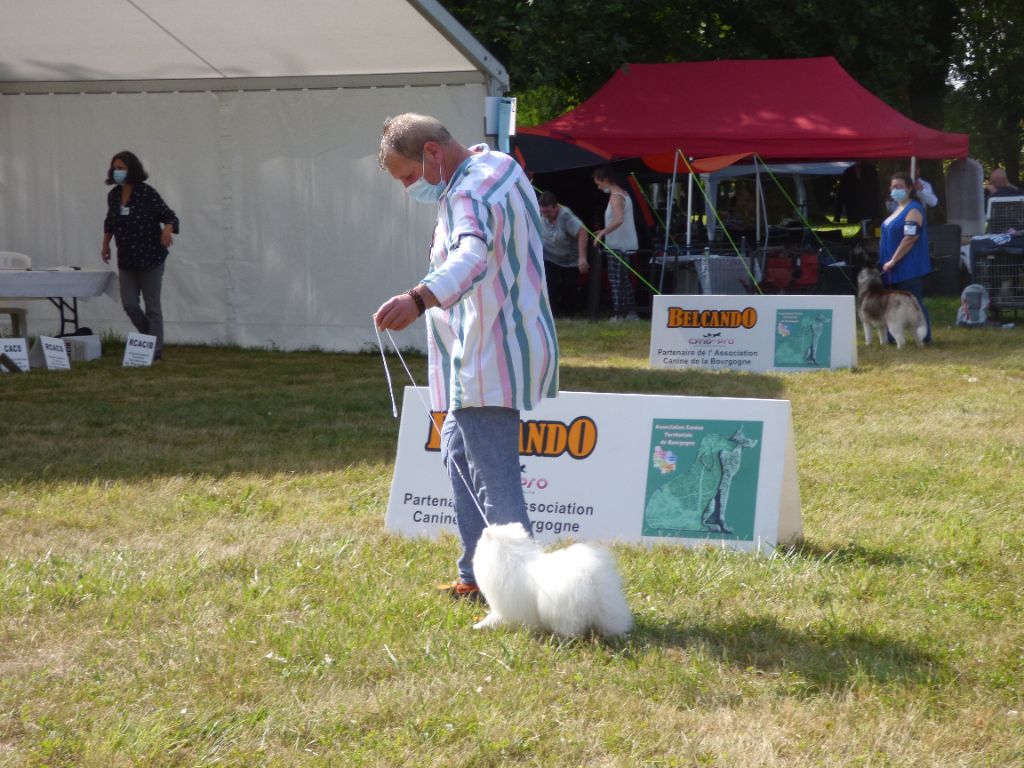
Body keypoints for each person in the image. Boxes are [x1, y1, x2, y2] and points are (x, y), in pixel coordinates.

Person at [373, 113, 559, 602]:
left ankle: (521, 594)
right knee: (458, 452)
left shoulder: (465, 193)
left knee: (496, 481)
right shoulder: (498, 165)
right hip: (502, 342)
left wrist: (418, 298)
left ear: (432, 152)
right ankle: (476, 576)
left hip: (487, 353)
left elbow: (471, 256)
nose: (408, 189)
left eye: (408, 176)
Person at [101, 151, 179, 361]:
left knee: (152, 305)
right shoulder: (113, 195)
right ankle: (148, 339)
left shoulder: (147, 193)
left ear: (132, 169)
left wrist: (167, 230)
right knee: (129, 304)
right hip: (127, 258)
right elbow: (110, 222)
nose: (116, 171)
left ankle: (155, 351)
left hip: (151, 257)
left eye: (121, 168)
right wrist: (105, 243)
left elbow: (170, 216)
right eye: (114, 168)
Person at [879, 171, 931, 343]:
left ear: (909, 188)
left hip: (908, 266)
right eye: (893, 186)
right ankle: (893, 337)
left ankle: (924, 337)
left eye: (900, 186)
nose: (896, 189)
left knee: (913, 303)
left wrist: (894, 259)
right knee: (892, 304)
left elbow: (910, 237)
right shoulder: (897, 209)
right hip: (891, 268)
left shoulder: (914, 209)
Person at [592, 166, 639, 321]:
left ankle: (619, 314)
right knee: (624, 280)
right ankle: (631, 313)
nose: (599, 187)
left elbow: (619, 220)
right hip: (624, 244)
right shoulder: (623, 194)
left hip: (618, 246)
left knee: (616, 280)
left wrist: (603, 234)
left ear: (606, 180)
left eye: (599, 183)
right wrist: (603, 231)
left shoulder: (616, 197)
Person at [538, 191, 589, 317]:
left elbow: (583, 232)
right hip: (549, 256)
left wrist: (582, 258)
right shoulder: (541, 214)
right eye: (543, 212)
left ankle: (569, 315)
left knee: (569, 286)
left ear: (556, 206)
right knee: (550, 285)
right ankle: (552, 315)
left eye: (548, 211)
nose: (545, 215)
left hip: (569, 258)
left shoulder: (566, 216)